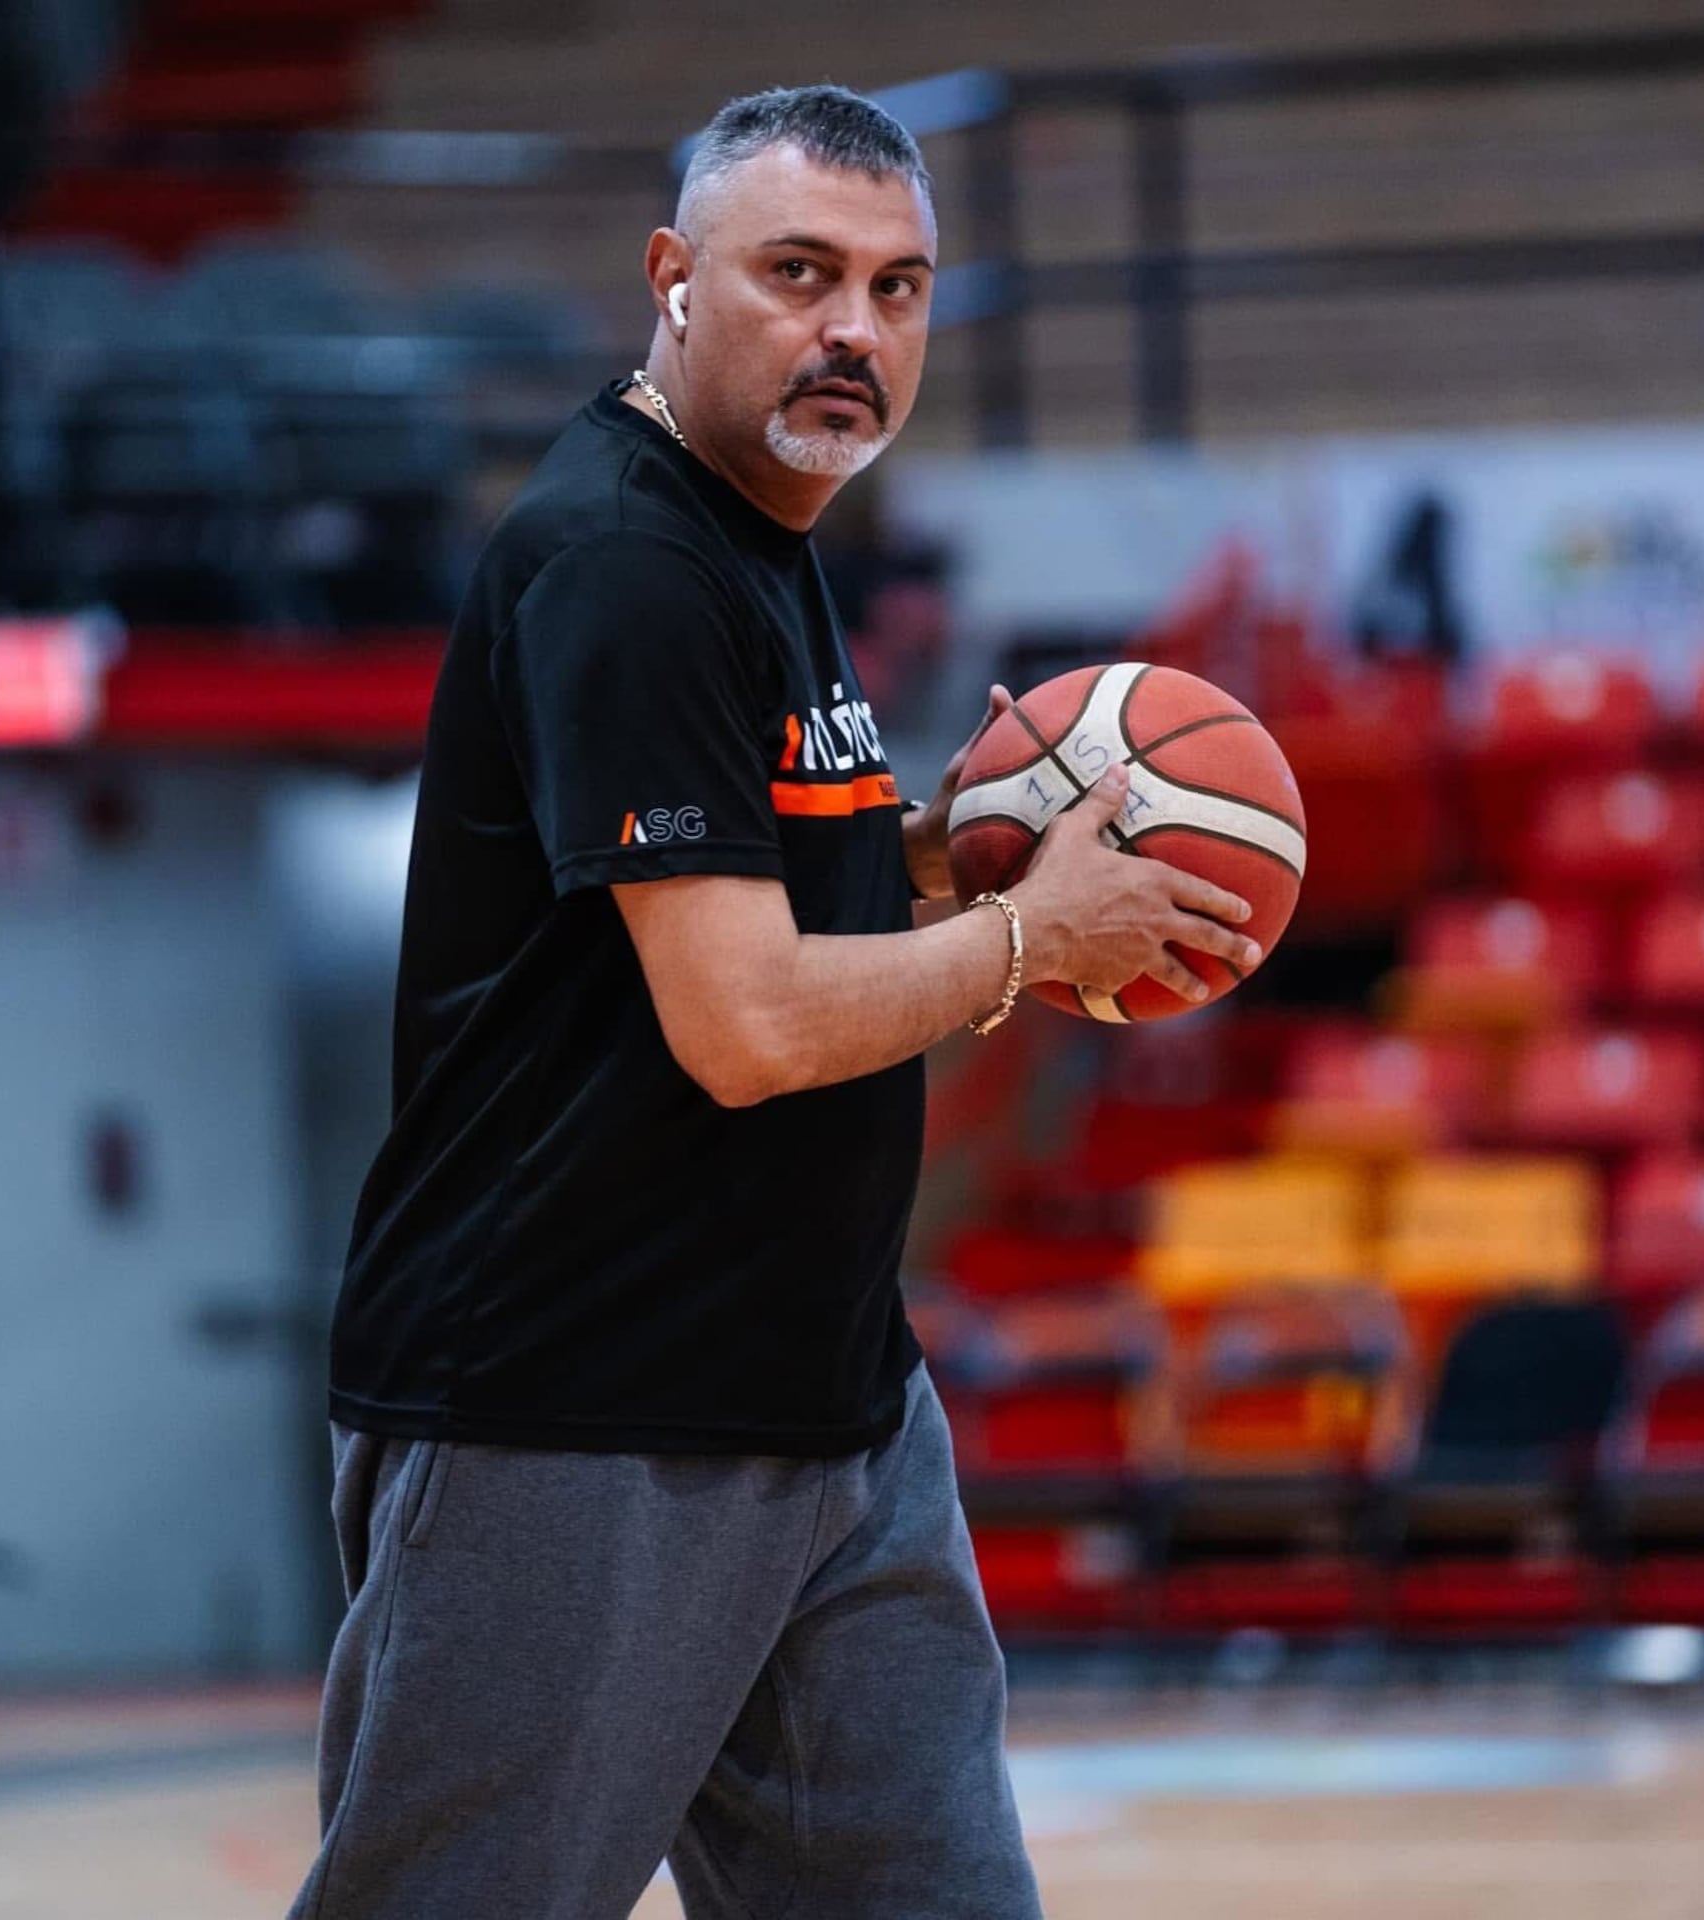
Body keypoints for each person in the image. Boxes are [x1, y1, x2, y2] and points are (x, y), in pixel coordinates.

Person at [294, 83, 1258, 1920]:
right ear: (672, 278)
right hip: (577, 1410)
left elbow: (744, 876)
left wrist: (928, 852)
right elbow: (741, 1026)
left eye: (899, 291)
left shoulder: (762, 535)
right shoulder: (628, 563)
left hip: (826, 1404)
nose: (853, 333)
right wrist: (1035, 943)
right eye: (800, 274)